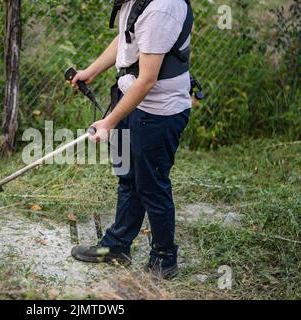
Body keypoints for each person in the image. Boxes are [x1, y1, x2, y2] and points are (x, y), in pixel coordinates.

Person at [69, 0, 193, 279]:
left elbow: (147, 79)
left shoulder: (162, 8)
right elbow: (126, 37)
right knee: (128, 177)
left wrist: (109, 121)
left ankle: (164, 257)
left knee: (151, 185)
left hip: (157, 113)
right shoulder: (135, 2)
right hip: (133, 102)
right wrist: (91, 71)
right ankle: (116, 246)